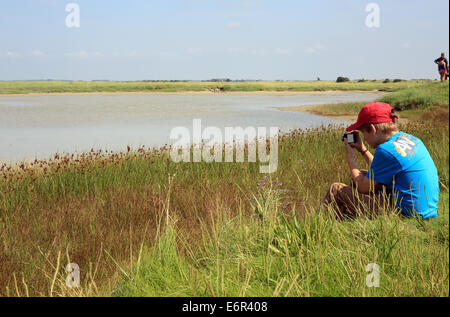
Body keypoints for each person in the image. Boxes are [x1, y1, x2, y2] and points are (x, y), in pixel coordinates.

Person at [323, 102, 439, 220]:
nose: (365, 138)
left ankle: (323, 224)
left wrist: (350, 158)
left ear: (372, 129)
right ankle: (347, 218)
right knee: (363, 174)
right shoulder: (411, 139)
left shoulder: (386, 150)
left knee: (336, 189)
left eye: (364, 133)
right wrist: (363, 150)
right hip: (424, 211)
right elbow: (381, 168)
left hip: (404, 215)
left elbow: (363, 187)